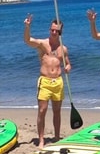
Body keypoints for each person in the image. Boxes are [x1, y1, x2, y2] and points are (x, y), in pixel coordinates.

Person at [23, 14, 71, 147]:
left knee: (57, 111)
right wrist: (27, 26)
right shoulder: (43, 44)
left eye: (57, 31)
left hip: (58, 83)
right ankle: (41, 139)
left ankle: (56, 136)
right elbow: (27, 40)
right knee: (42, 110)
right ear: (49, 30)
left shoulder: (63, 48)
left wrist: (67, 67)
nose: (54, 32)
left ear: (61, 32)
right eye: (52, 30)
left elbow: (67, 63)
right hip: (45, 82)